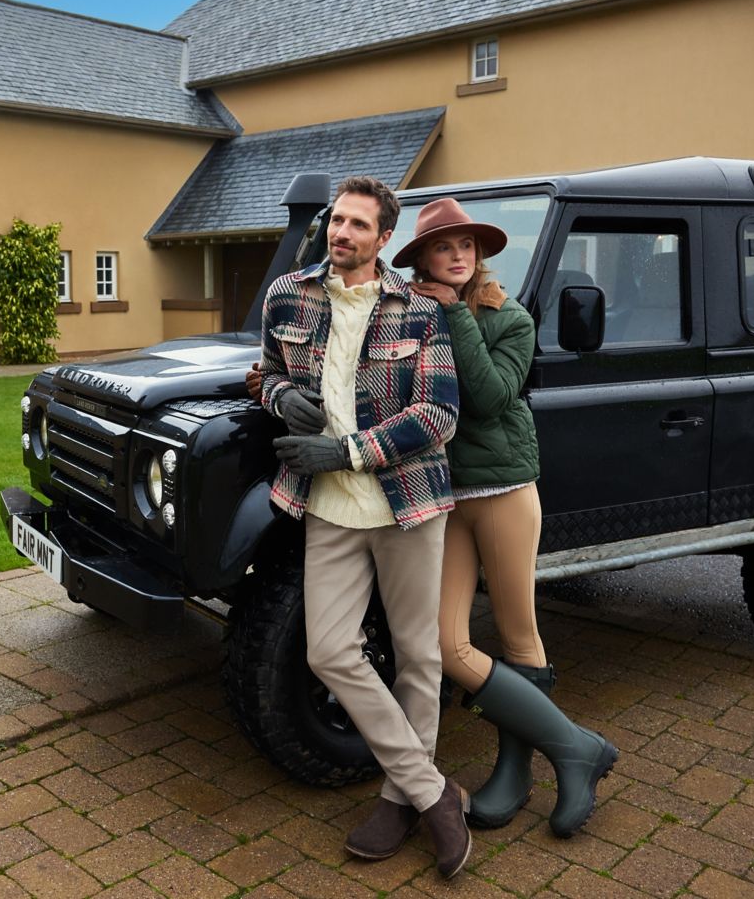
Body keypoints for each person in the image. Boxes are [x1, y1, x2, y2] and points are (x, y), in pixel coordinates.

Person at [258, 175, 471, 877]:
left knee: (417, 657)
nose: (342, 233)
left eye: (358, 225)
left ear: (384, 238)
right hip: (329, 507)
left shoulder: (419, 311)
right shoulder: (288, 295)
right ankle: (434, 792)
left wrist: (348, 451)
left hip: (406, 502)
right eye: (337, 221)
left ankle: (398, 799)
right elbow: (265, 372)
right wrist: (280, 396)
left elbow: (438, 415)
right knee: (328, 651)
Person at [394, 197, 618, 837]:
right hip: (444, 495)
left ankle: (517, 770)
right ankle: (576, 746)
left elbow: (491, 398)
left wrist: (453, 315)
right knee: (444, 645)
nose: (458, 255)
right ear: (423, 258)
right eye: (444, 246)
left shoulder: (509, 317)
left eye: (466, 244)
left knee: (520, 636)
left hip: (503, 491)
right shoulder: (408, 314)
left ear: (479, 252)